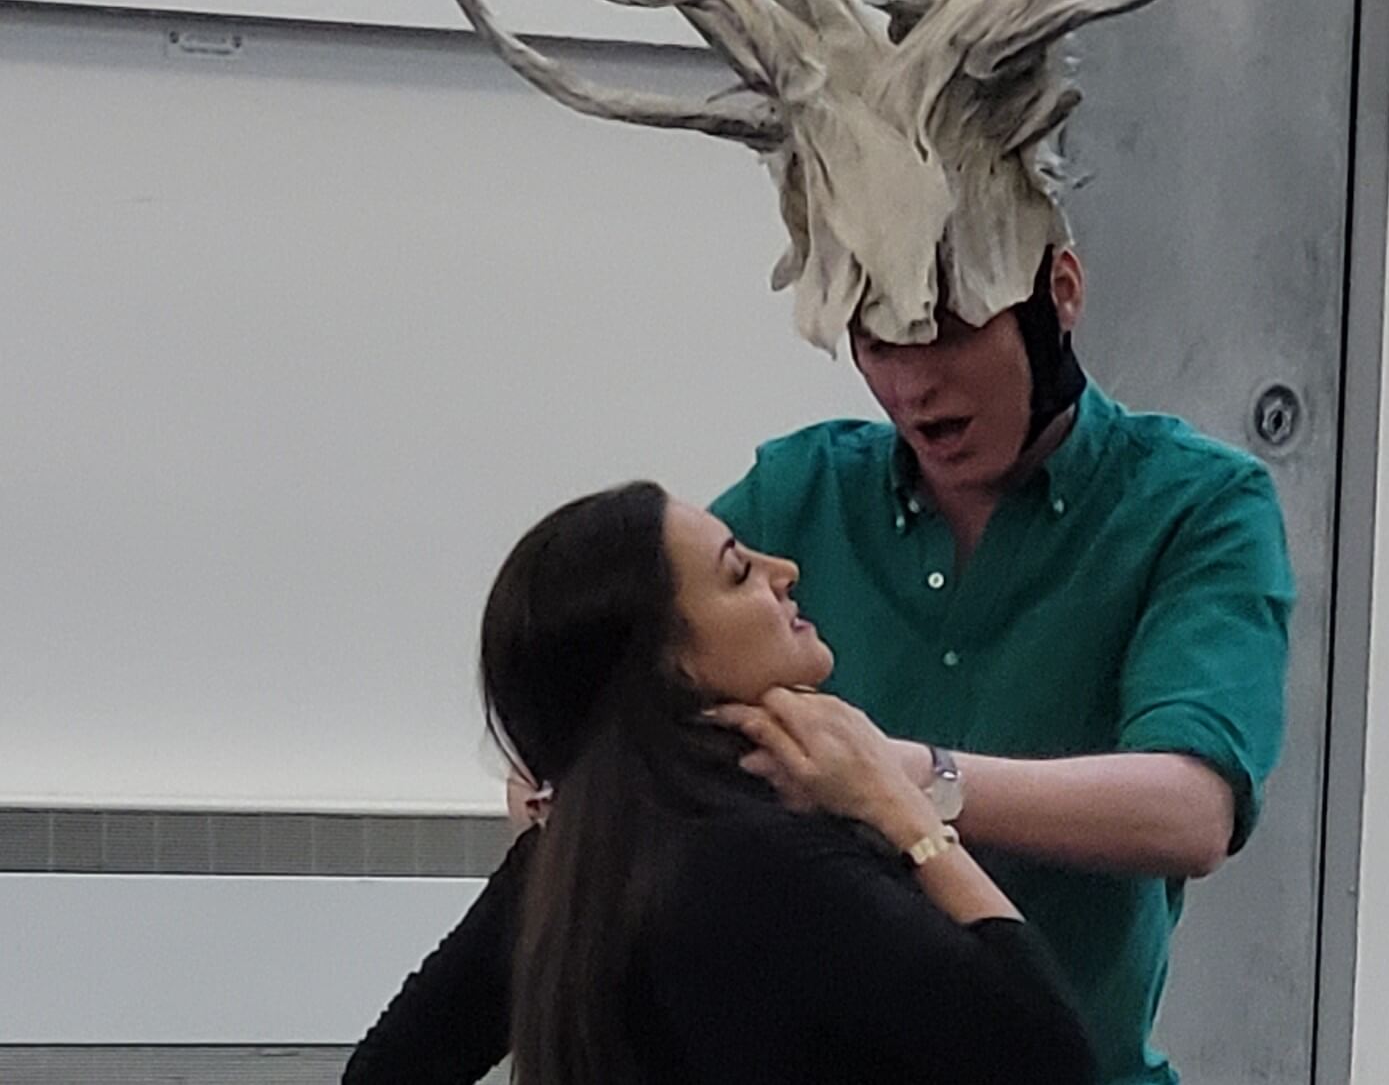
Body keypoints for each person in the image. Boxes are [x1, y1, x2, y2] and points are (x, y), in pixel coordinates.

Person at [345, 243, 1293, 1085]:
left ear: (1061, 292)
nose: (913, 382)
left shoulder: (1193, 505)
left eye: (950, 331)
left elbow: (1191, 811)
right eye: (878, 342)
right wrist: (575, 775)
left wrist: (900, 779)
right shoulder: (803, 491)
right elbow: (618, 648)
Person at [347, 480, 1096, 1084]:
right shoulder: (775, 863)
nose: (785, 572)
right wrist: (908, 815)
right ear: (672, 665)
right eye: (739, 573)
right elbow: (1050, 1061)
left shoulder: (567, 860)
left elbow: (386, 1071)